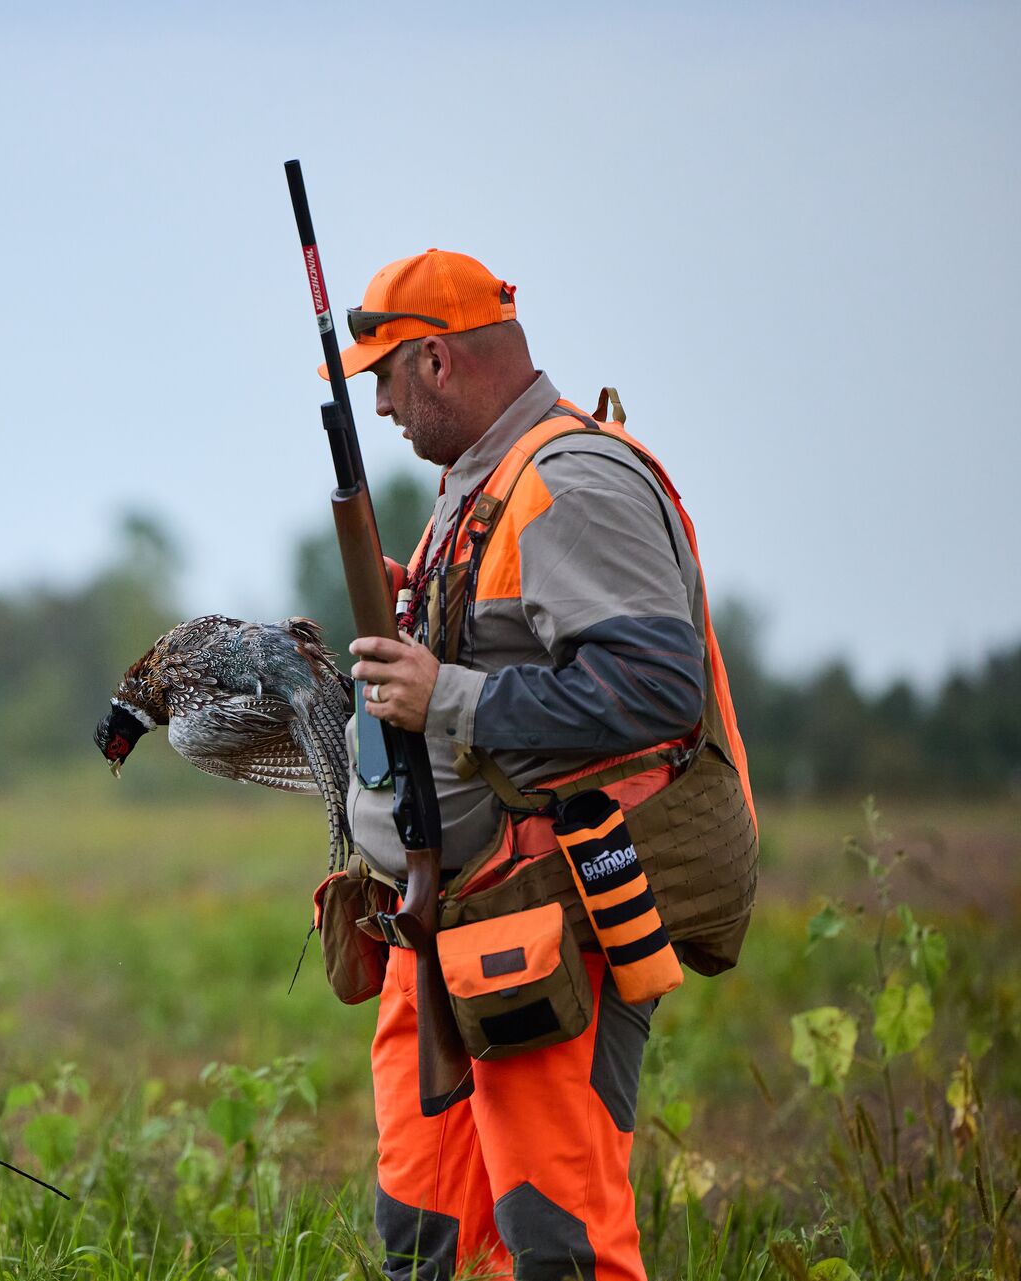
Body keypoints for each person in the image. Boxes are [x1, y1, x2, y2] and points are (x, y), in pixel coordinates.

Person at [328, 249, 755, 1280]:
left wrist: (448, 694)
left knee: (561, 1243)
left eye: (385, 378)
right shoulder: (477, 486)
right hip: (452, 920)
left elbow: (656, 691)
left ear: (437, 361)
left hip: (549, 912)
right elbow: (517, 647)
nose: (379, 406)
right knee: (427, 1241)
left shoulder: (573, 482)